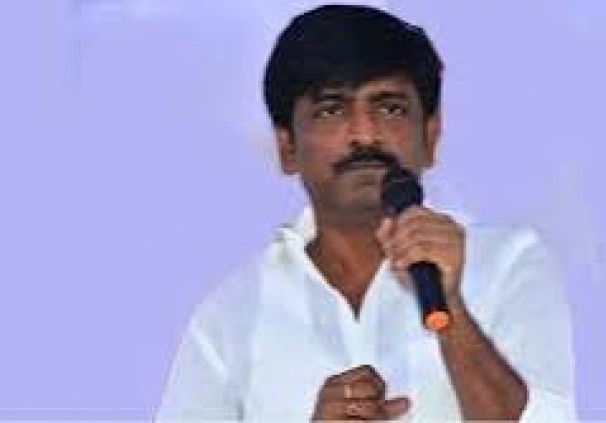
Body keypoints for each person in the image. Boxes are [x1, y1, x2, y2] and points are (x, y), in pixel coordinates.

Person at [156, 4, 575, 421]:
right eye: (331, 110)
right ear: (287, 148)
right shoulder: (231, 315)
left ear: (431, 136)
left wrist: (452, 313)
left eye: (390, 108)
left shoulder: (507, 264)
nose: (365, 134)